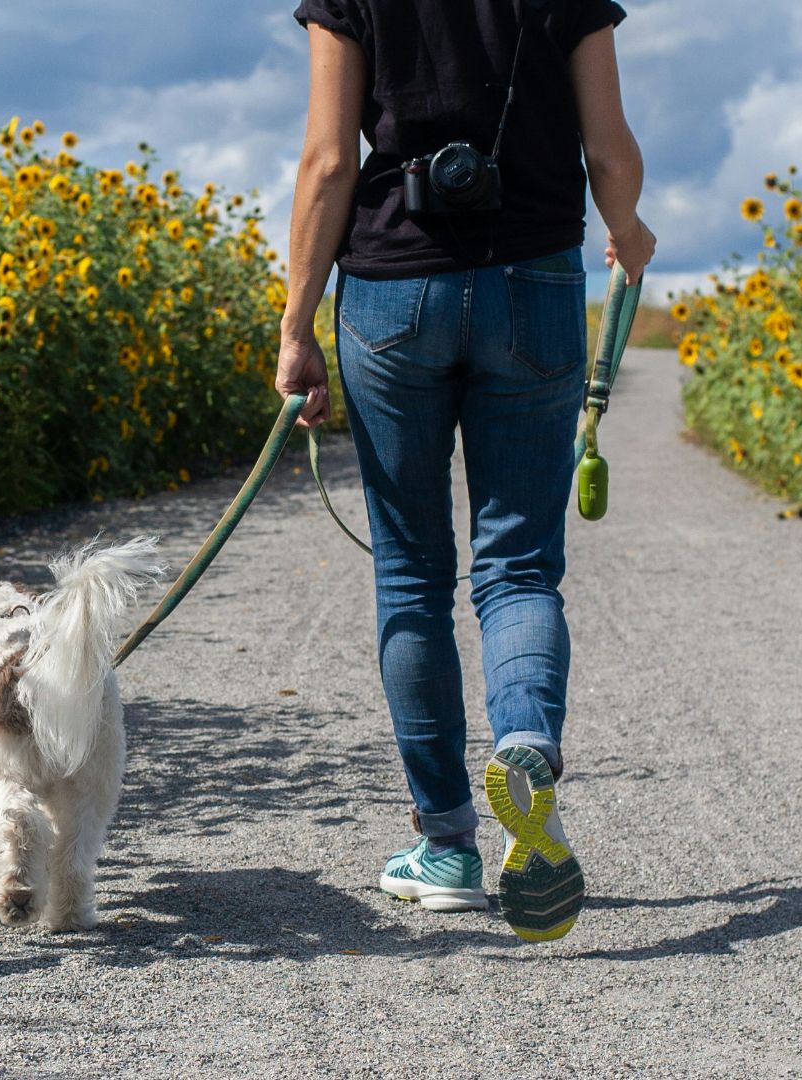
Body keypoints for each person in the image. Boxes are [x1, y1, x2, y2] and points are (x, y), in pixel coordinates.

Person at [279, 0, 654, 942]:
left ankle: (446, 848)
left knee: (411, 573)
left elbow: (329, 160)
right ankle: (525, 742)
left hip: (392, 287)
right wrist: (629, 227)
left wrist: (297, 323)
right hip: (534, 279)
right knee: (519, 567)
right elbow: (608, 147)